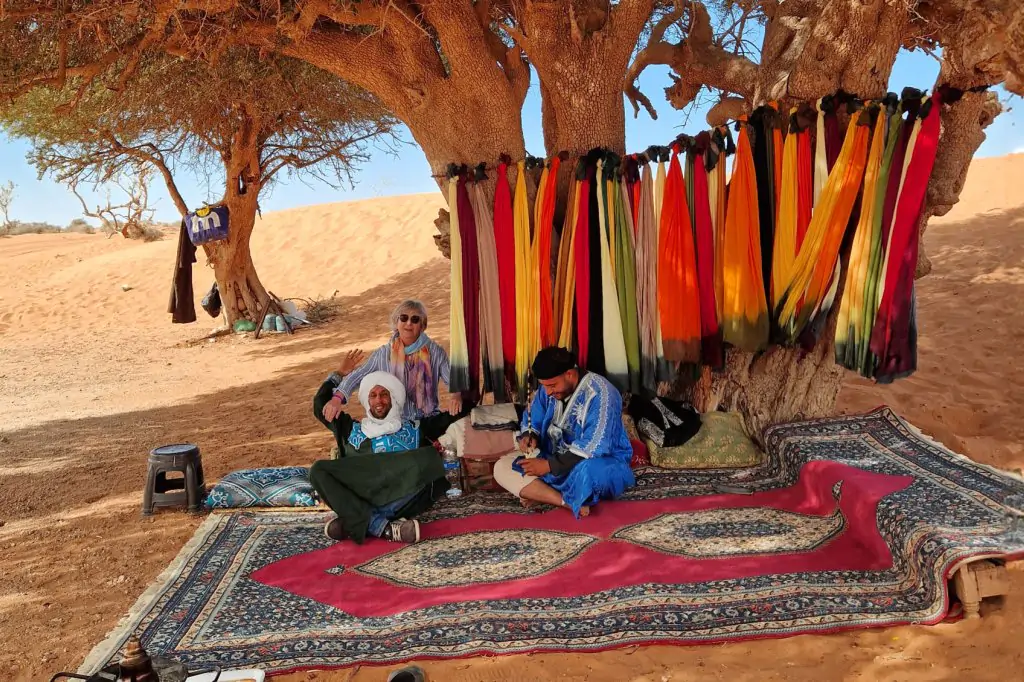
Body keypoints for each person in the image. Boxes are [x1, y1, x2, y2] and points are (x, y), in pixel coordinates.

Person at [493, 346, 635, 517]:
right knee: (501, 467)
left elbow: (595, 445)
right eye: (544, 386)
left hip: (595, 463)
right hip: (552, 459)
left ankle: (542, 492)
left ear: (569, 373)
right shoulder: (548, 389)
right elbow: (534, 418)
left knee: (590, 474)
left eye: (552, 385)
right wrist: (530, 436)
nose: (547, 392)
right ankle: (565, 501)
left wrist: (549, 466)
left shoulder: (602, 394)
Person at [310, 371, 449, 544]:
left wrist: (459, 395)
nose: (378, 401)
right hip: (362, 493)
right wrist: (338, 376)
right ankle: (382, 527)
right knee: (318, 470)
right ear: (367, 401)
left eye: (384, 395)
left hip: (399, 497)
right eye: (373, 395)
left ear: (393, 398)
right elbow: (319, 405)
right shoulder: (349, 429)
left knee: (429, 459)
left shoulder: (414, 429)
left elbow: (454, 414)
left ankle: (356, 520)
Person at [319, 299, 469, 442]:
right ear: (396, 323)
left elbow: (453, 382)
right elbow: (356, 377)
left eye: (415, 319)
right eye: (403, 318)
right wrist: (336, 399)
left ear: (422, 326)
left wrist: (456, 395)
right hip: (392, 423)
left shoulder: (435, 352)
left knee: (466, 409)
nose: (408, 323)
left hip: (427, 422)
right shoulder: (383, 354)